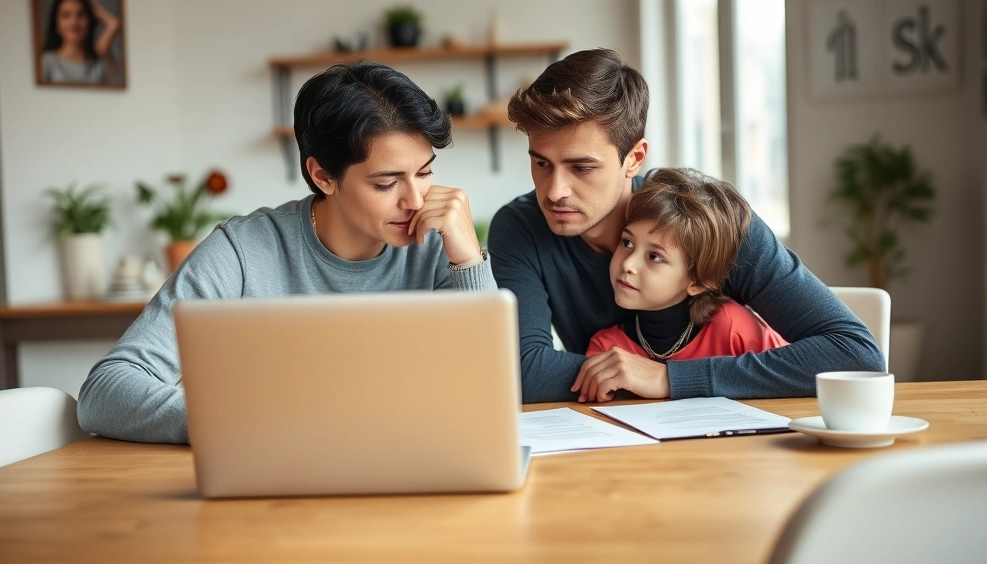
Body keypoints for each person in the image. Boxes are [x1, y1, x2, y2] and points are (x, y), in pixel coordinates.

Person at [78, 61, 493, 444]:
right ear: (322, 176)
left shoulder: (438, 245)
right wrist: (240, 423)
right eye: (387, 184)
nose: (416, 201)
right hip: (273, 485)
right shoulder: (242, 251)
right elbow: (106, 391)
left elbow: (491, 389)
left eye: (424, 173)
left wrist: (470, 262)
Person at [488, 48, 883, 404]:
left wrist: (669, 379)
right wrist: (636, 378)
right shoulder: (520, 226)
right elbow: (524, 373)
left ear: (634, 157)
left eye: (581, 167)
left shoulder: (706, 219)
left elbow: (855, 354)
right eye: (541, 163)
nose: (554, 191)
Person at [576, 167, 788, 403]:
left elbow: (790, 377)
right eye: (627, 242)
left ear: (697, 282)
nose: (628, 264)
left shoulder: (734, 327)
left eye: (654, 257)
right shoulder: (608, 347)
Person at [41, 0, 121, 84]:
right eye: (66, 16)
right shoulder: (46, 62)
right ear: (56, 24)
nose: (74, 22)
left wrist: (112, 24)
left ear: (89, 21)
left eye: (81, 14)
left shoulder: (99, 64)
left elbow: (118, 89)